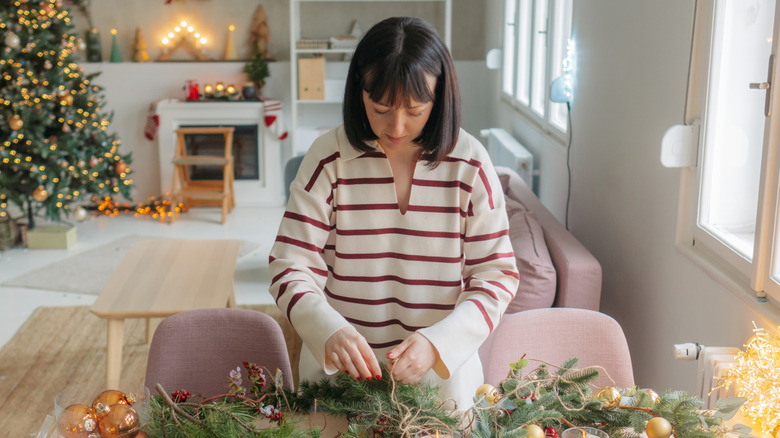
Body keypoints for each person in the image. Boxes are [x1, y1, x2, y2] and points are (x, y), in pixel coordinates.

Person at [269, 16, 519, 409]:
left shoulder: (470, 163)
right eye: (380, 108)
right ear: (359, 92)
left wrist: (439, 343)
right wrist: (328, 329)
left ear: (440, 101)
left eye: (415, 111)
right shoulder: (328, 158)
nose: (397, 127)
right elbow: (289, 264)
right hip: (339, 383)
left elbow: (496, 276)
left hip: (441, 385)